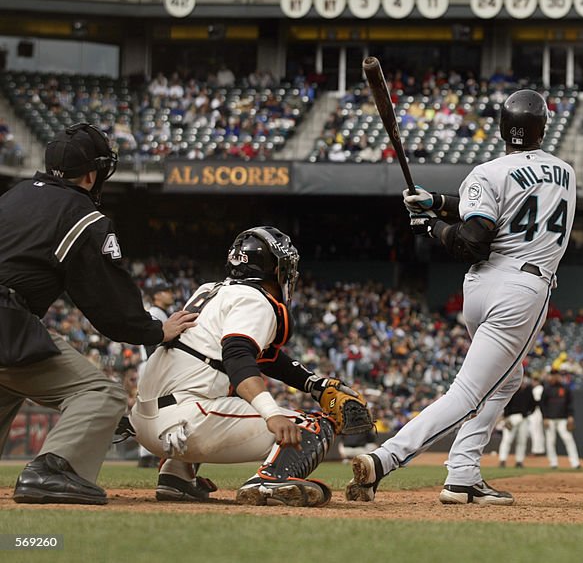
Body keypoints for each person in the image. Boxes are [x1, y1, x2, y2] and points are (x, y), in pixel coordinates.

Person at [346, 89, 576, 506]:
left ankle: (463, 475)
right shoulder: (566, 173)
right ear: (544, 127)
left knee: (507, 380)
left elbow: (476, 236)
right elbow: (484, 231)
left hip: (479, 288)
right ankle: (384, 459)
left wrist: (432, 218)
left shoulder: (486, 172)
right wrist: (435, 212)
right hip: (522, 289)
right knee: (468, 393)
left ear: (503, 128)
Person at [0, 123, 197, 505]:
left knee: (7, 383)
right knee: (102, 393)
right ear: (92, 174)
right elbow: (110, 310)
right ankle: (52, 471)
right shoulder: (83, 215)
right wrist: (157, 330)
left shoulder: (14, 195)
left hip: (8, 329)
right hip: (6, 320)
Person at [130, 226, 370, 506]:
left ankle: (177, 476)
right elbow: (238, 355)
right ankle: (270, 482)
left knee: (219, 388)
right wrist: (271, 414)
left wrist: (313, 384)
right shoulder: (255, 299)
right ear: (275, 268)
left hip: (146, 422)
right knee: (313, 427)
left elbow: (261, 355)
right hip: (185, 420)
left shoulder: (210, 291)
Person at [137, 279, 177, 468]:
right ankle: (146, 455)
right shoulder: (155, 313)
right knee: (151, 409)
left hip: (154, 365)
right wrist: (158, 367)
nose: (170, 294)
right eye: (166, 291)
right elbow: (151, 343)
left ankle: (149, 454)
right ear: (157, 295)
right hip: (152, 364)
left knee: (155, 409)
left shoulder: (161, 313)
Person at [540, 368, 580, 469]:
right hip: (550, 419)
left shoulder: (565, 388)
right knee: (550, 441)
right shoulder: (547, 388)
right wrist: (544, 417)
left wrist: (570, 416)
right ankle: (553, 462)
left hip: (563, 418)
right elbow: (542, 404)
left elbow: (570, 403)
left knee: (568, 439)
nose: (554, 377)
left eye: (556, 375)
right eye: (552, 375)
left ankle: (575, 463)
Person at [498, 374, 536, 469]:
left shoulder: (528, 390)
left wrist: (528, 413)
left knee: (522, 440)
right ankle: (502, 459)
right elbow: (506, 404)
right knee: (507, 439)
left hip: (523, 418)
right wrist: (506, 417)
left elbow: (533, 404)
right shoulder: (512, 389)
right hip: (512, 417)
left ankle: (519, 461)